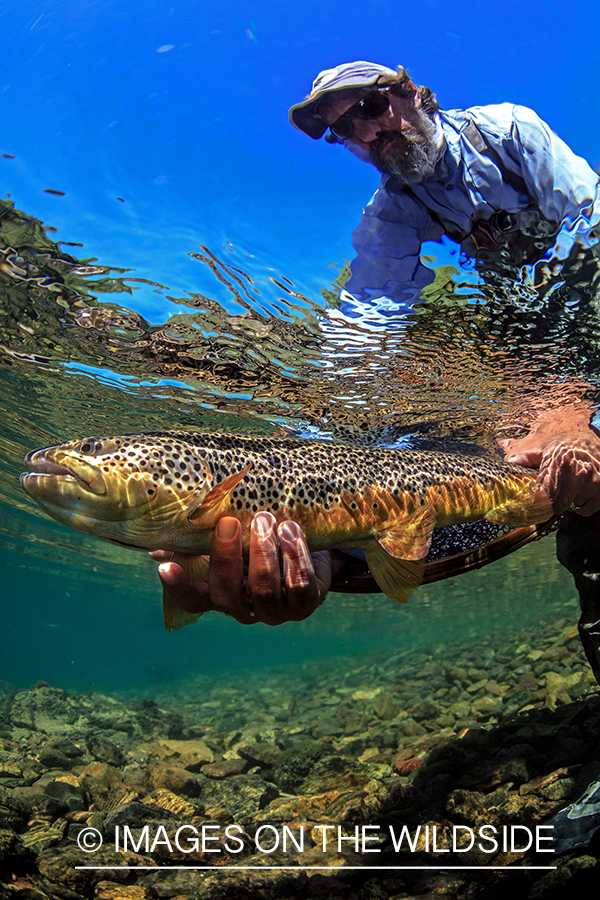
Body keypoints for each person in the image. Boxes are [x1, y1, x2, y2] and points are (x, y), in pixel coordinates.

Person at [154, 61, 600, 664]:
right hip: (506, 348)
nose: (367, 136)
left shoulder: (510, 130)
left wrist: (568, 401)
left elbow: (589, 232)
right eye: (345, 131)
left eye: (369, 108)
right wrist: (307, 472)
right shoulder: (387, 217)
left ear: (414, 92)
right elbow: (360, 333)